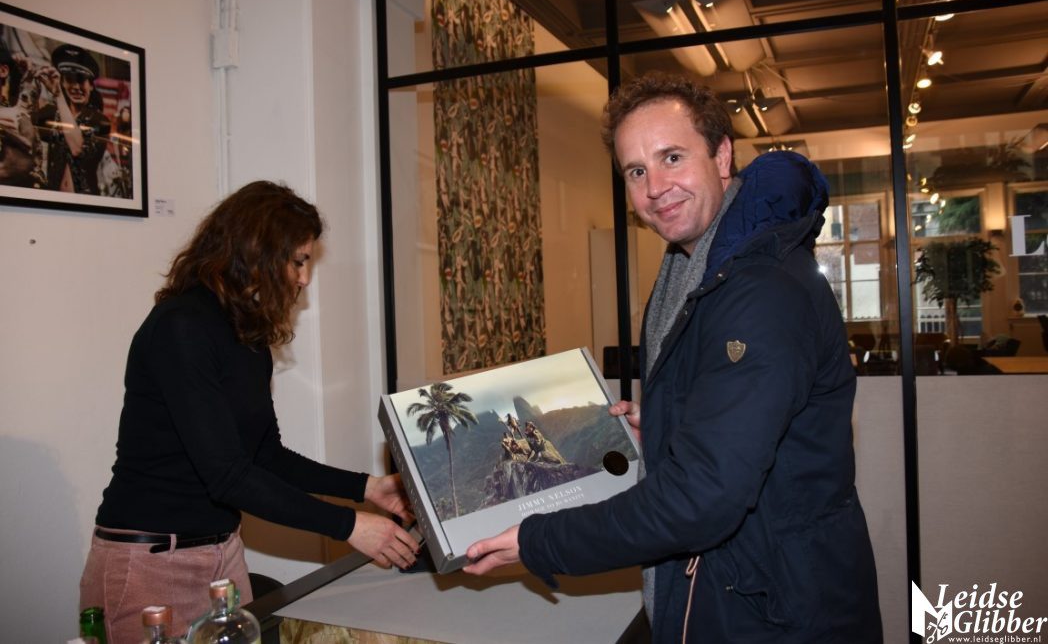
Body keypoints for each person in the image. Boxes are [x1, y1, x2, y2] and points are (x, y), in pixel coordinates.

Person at [464, 73, 882, 642]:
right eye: (636, 171)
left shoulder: (760, 290)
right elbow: (736, 419)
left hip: (773, 613)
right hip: (738, 591)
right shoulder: (694, 267)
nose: (655, 187)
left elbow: (703, 498)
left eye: (672, 157)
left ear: (722, 155)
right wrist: (664, 426)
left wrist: (538, 540)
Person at [80, 181, 419, 642]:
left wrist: (368, 487)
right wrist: (350, 525)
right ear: (256, 251)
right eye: (298, 261)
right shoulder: (182, 326)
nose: (304, 278)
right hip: (152, 563)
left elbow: (266, 457)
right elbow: (227, 475)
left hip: (222, 556)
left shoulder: (248, 337)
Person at [35, 43, 109, 193]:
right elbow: (23, 122)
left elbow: (77, 148)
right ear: (62, 82)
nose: (75, 87)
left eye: (81, 80)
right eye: (69, 79)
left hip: (85, 200)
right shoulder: (53, 113)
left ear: (91, 86)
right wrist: (28, 79)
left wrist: (58, 95)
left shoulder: (100, 120)